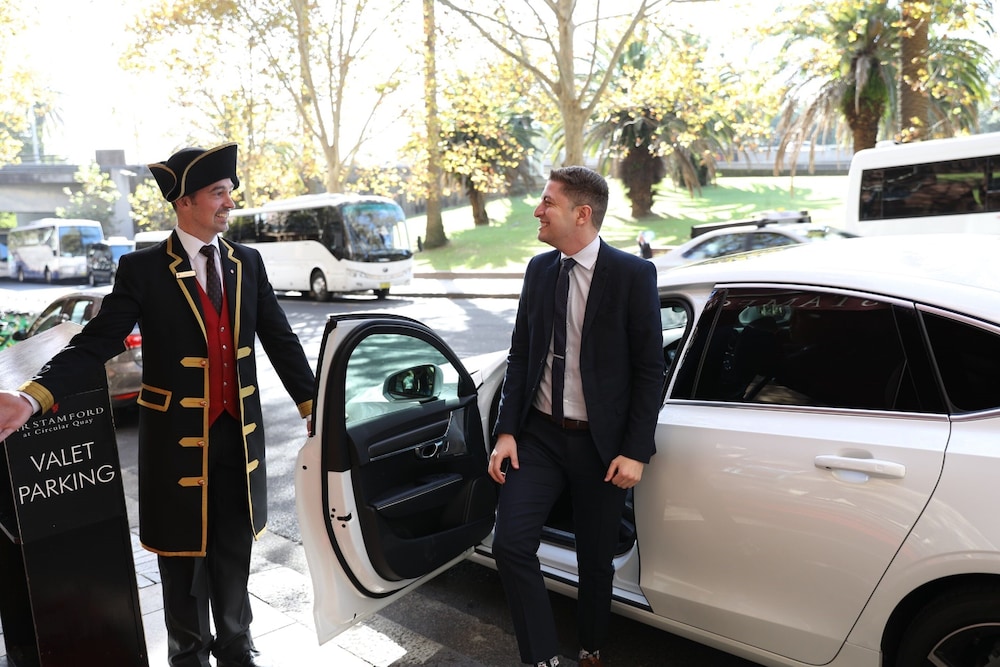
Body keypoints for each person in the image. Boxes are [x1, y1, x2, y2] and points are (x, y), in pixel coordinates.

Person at [0, 142, 315, 667]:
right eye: (219, 193)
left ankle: (238, 646)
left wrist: (313, 408)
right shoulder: (143, 269)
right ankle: (188, 654)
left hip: (239, 440)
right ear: (185, 202)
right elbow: (95, 344)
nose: (229, 204)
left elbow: (281, 341)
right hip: (176, 447)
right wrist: (33, 398)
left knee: (235, 549)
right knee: (182, 559)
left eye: (229, 193)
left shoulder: (247, 263)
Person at [488, 166, 665, 667]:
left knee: (594, 562)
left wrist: (635, 450)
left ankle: (590, 648)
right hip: (539, 437)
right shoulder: (539, 271)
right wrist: (505, 431)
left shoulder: (633, 275)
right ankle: (541, 658)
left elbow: (651, 369)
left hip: (601, 447)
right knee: (510, 544)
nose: (537, 210)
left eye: (547, 202)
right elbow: (521, 355)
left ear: (581, 214)